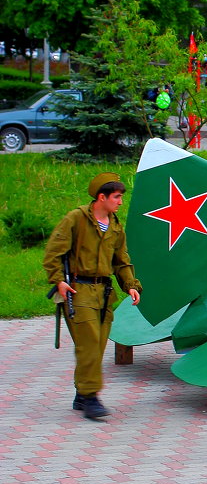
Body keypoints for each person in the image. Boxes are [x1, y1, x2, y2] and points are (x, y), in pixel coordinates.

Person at [42, 173, 143, 420]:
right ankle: (90, 397)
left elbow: (121, 260)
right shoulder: (76, 219)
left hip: (103, 292)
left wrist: (130, 284)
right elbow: (53, 253)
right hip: (79, 290)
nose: (120, 202)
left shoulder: (115, 225)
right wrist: (59, 281)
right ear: (102, 197)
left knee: (96, 347)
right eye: (117, 197)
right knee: (88, 346)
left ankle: (81, 393)